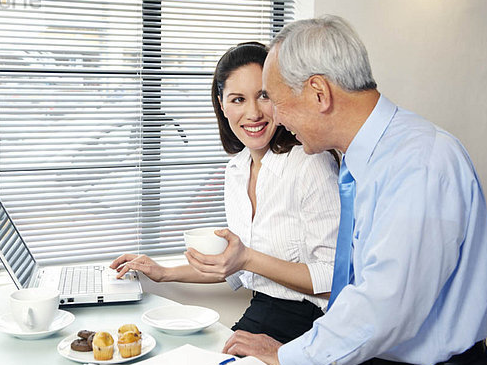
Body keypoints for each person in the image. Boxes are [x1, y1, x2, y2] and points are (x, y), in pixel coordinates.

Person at [222, 15, 487, 365]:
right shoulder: (365, 161)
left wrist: (285, 355)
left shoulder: (418, 163)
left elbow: (384, 307)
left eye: (275, 100)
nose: (274, 117)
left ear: (319, 93)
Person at [110, 42, 340, 344]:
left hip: (315, 321)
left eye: (264, 96)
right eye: (238, 99)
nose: (253, 113)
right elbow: (233, 266)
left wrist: (247, 260)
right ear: (222, 105)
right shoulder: (236, 170)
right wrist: (162, 272)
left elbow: (334, 279)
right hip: (263, 310)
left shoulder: (310, 164)